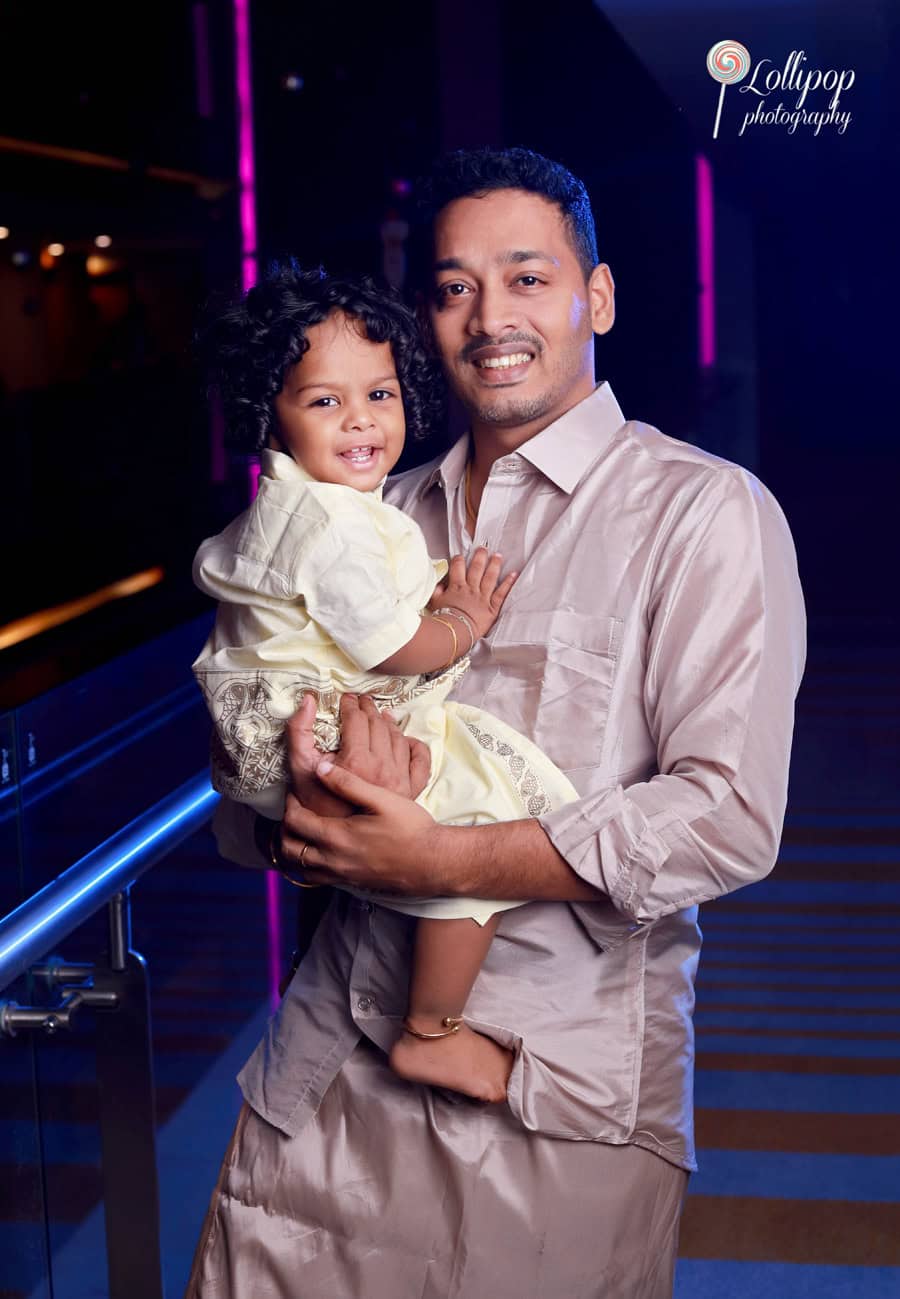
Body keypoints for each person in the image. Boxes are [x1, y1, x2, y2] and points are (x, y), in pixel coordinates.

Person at [186, 147, 806, 1299]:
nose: (489, 318)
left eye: (526, 277)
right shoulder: (371, 509)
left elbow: (726, 819)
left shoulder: (702, 513)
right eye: (456, 286)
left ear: (597, 298)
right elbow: (252, 758)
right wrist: (284, 806)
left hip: (548, 1093)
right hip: (326, 1078)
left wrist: (441, 856)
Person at [191, 265, 579, 1101]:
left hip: (272, 740)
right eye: (326, 402)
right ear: (273, 414)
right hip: (318, 738)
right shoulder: (338, 520)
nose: (362, 418)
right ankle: (432, 1027)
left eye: (381, 393)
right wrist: (462, 622)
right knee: (485, 819)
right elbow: (393, 643)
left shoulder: (300, 504)